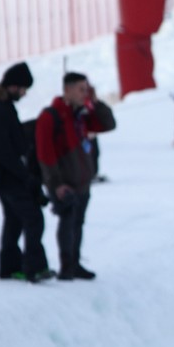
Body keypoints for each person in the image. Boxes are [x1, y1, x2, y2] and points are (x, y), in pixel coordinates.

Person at [0, 62, 51, 282]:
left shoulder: (0, 106)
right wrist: (25, 175)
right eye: (23, 89)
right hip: (7, 175)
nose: (24, 94)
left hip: (4, 174)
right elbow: (3, 151)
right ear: (13, 86)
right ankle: (33, 267)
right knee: (33, 218)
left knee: (14, 219)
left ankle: (9, 267)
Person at [36, 71, 116, 280]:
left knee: (78, 223)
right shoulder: (50, 116)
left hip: (82, 181)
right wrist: (56, 184)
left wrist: (96, 102)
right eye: (81, 89)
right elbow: (45, 154)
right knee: (68, 221)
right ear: (67, 90)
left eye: (87, 89)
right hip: (64, 183)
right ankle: (67, 266)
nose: (85, 93)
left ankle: (75, 263)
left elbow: (108, 124)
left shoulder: (82, 114)